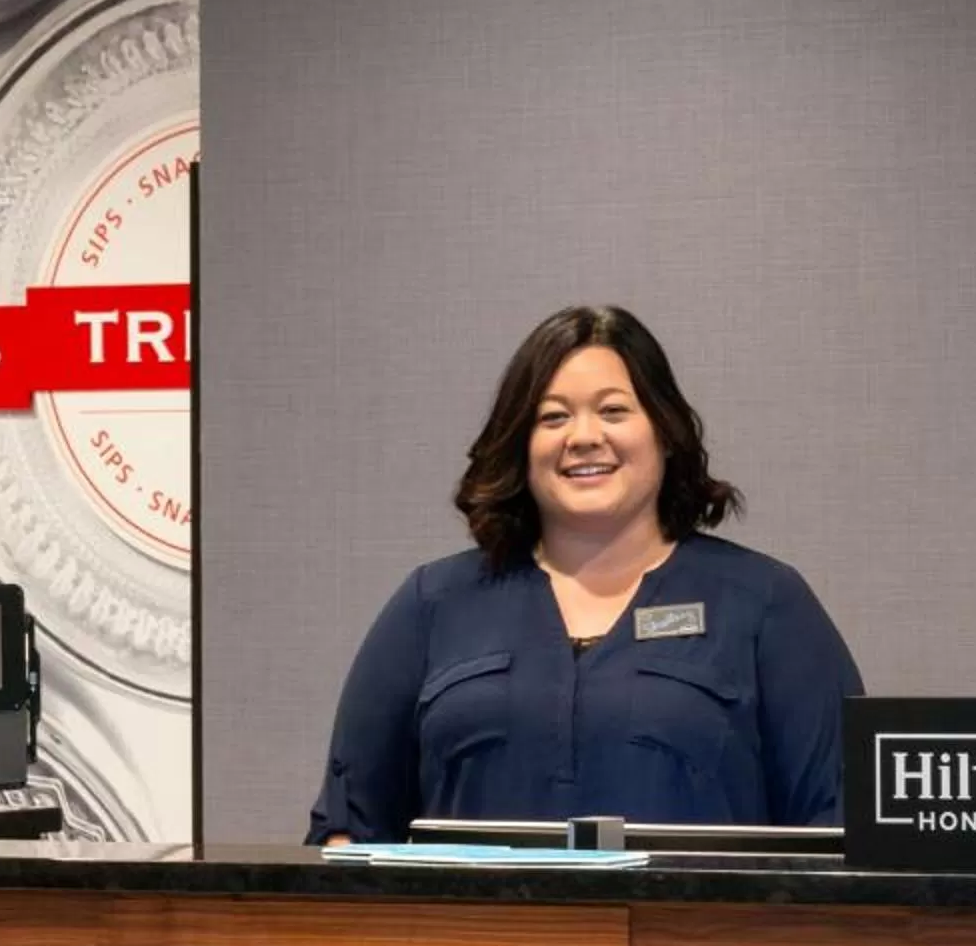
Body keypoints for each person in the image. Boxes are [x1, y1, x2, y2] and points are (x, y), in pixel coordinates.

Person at [307, 305, 862, 841]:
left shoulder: (764, 605)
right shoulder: (432, 605)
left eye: (614, 411)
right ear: (521, 444)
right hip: (471, 937)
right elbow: (348, 832)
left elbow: (839, 826)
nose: (584, 436)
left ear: (664, 432)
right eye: (553, 417)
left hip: (699, 938)